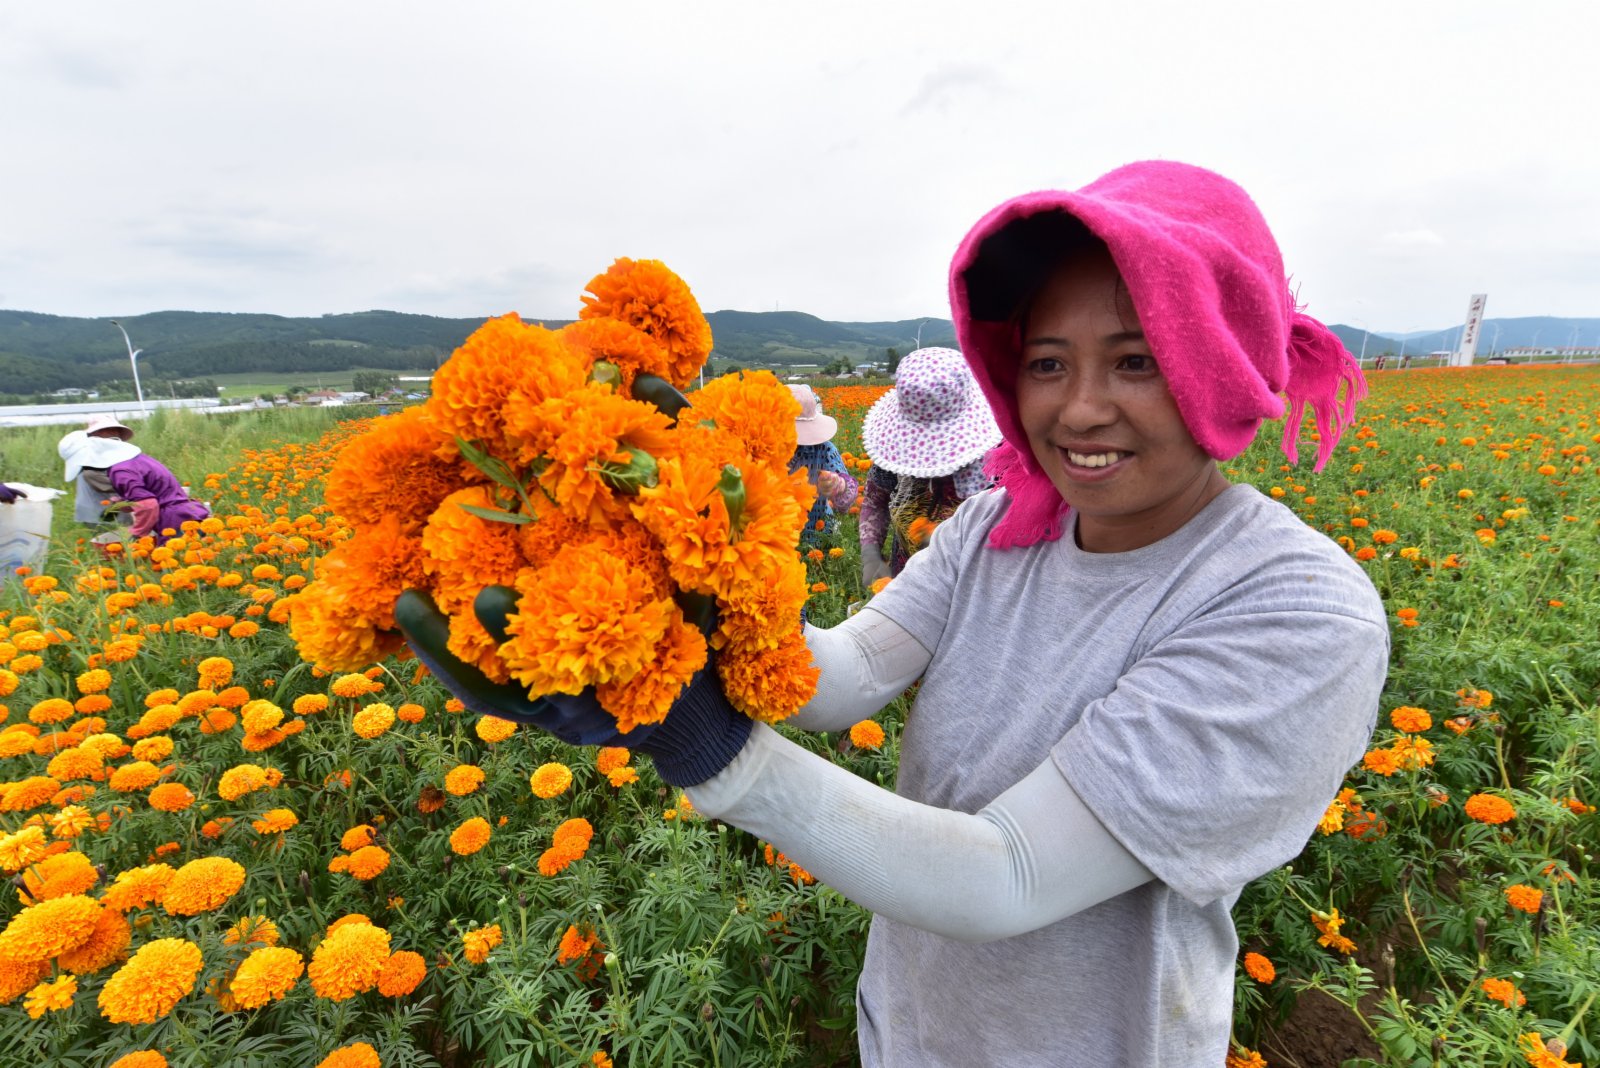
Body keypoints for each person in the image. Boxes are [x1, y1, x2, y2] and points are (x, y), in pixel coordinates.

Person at [399, 160, 1389, 1066]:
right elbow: (847, 676)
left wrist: (704, 742)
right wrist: (678, 604)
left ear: (1220, 363)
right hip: (911, 1027)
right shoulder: (1000, 526)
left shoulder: (1290, 612)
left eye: (1135, 361)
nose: (1079, 408)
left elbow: (1005, 876)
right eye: (1047, 362)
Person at [858, 346, 1000, 583]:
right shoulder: (896, 450)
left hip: (979, 587)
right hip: (907, 578)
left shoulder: (1004, 457)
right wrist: (871, 554)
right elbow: (875, 501)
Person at [58, 417, 210, 544]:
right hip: (187, 514)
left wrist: (137, 535)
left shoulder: (120, 470)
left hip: (175, 521)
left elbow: (148, 505)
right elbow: (148, 494)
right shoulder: (135, 460)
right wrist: (125, 503)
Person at [786, 384, 858, 542]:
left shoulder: (823, 450)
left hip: (817, 533)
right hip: (775, 537)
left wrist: (838, 485)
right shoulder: (761, 451)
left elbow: (849, 493)